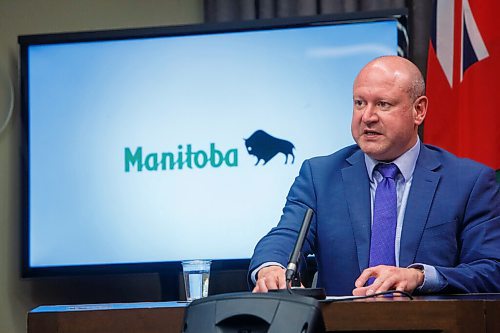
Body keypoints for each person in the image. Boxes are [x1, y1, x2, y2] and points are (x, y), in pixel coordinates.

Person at [249, 56, 500, 296]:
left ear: (419, 110)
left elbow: (491, 269)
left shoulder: (468, 182)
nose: (367, 117)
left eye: (383, 104)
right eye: (359, 103)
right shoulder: (319, 176)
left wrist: (422, 278)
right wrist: (273, 267)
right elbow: (286, 236)